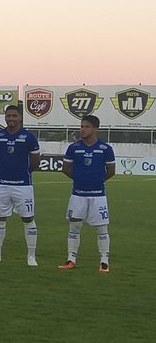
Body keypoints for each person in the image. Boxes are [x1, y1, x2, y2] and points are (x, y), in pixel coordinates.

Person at [0, 105, 40, 266]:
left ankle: (31, 256)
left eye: (14, 116)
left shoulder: (29, 137)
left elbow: (35, 161)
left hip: (23, 185)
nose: (10, 119)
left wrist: (23, 172)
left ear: (20, 117)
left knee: (28, 218)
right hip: (1, 184)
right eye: (8, 116)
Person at [59, 114, 115, 272]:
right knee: (74, 227)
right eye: (81, 126)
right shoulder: (74, 148)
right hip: (78, 195)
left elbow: (111, 171)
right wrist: (80, 180)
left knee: (102, 229)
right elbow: (66, 169)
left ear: (95, 129)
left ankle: (104, 262)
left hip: (98, 196)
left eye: (86, 126)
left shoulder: (105, 149)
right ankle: (71, 259)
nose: (82, 129)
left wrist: (96, 181)